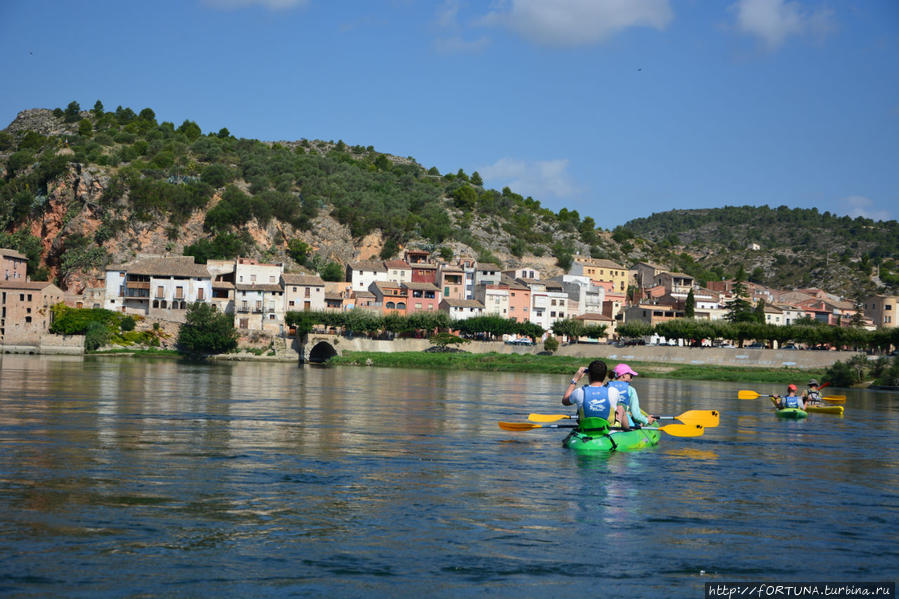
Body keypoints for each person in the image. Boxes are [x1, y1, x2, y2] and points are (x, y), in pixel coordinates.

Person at [562, 360, 627, 429]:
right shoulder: (614, 391)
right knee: (620, 408)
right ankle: (628, 431)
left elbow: (565, 401)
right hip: (608, 431)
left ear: (589, 375)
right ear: (605, 376)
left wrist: (575, 379)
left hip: (585, 430)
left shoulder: (579, 392)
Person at [608, 363, 656, 428]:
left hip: (609, 421)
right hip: (625, 423)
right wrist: (646, 420)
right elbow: (636, 415)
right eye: (631, 376)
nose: (631, 379)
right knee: (637, 422)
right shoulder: (631, 390)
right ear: (624, 375)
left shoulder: (606, 387)